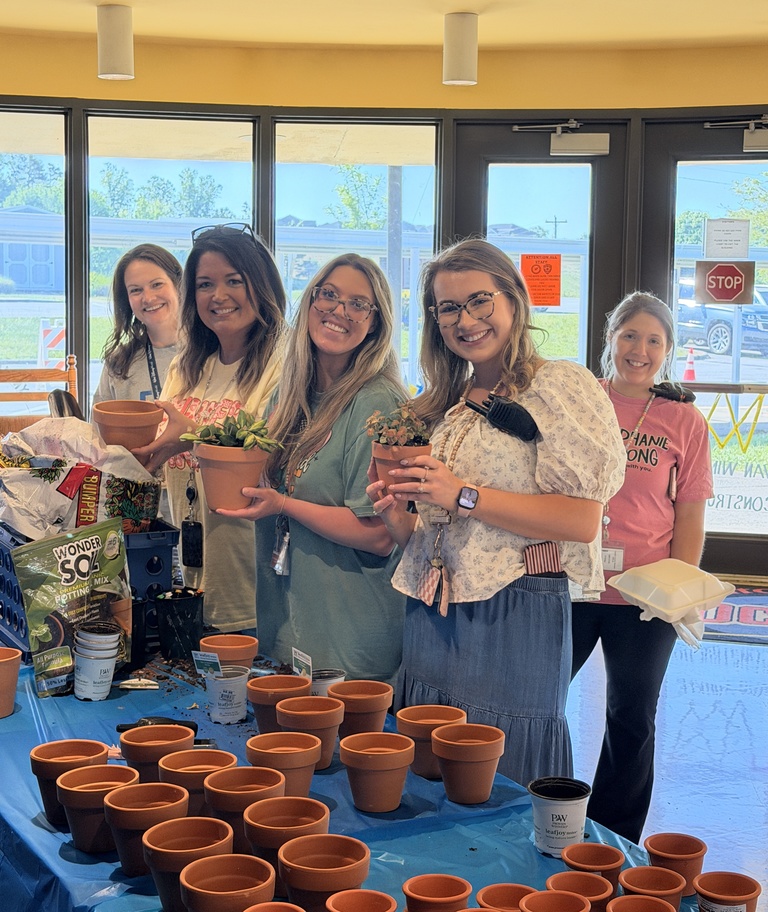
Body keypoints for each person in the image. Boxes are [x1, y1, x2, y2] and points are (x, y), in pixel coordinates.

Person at [367, 238, 626, 785]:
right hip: (434, 610)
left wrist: (462, 493)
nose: (467, 320)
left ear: (514, 300)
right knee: (434, 772)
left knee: (502, 775)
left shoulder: (558, 385)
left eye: (480, 301)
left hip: (515, 605)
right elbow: (444, 527)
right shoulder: (452, 400)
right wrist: (398, 517)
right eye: (449, 308)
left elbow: (580, 519)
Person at [219, 253, 407, 683]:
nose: (339, 311)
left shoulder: (377, 404)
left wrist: (283, 504)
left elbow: (378, 535)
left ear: (376, 323)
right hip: (288, 627)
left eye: (359, 304)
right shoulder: (288, 396)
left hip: (350, 639)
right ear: (310, 302)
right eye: (329, 295)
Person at [570, 291, 713, 843]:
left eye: (655, 340)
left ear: (668, 350)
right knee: (538, 700)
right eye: (630, 335)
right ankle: (533, 813)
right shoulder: (583, 402)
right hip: (574, 581)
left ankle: (612, 839)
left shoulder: (683, 418)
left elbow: (690, 511)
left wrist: (678, 588)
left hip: (643, 595)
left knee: (631, 719)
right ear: (610, 338)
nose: (640, 349)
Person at [132, 224, 286, 634]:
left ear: (262, 284)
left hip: (255, 586)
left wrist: (194, 436)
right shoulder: (189, 365)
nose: (218, 295)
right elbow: (166, 451)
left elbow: (274, 460)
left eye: (234, 280)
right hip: (191, 576)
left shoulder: (285, 364)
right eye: (204, 284)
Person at [92, 244, 182, 407]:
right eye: (136, 290)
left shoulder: (211, 353)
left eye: (157, 285)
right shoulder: (118, 364)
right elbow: (98, 431)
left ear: (178, 285)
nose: (148, 298)